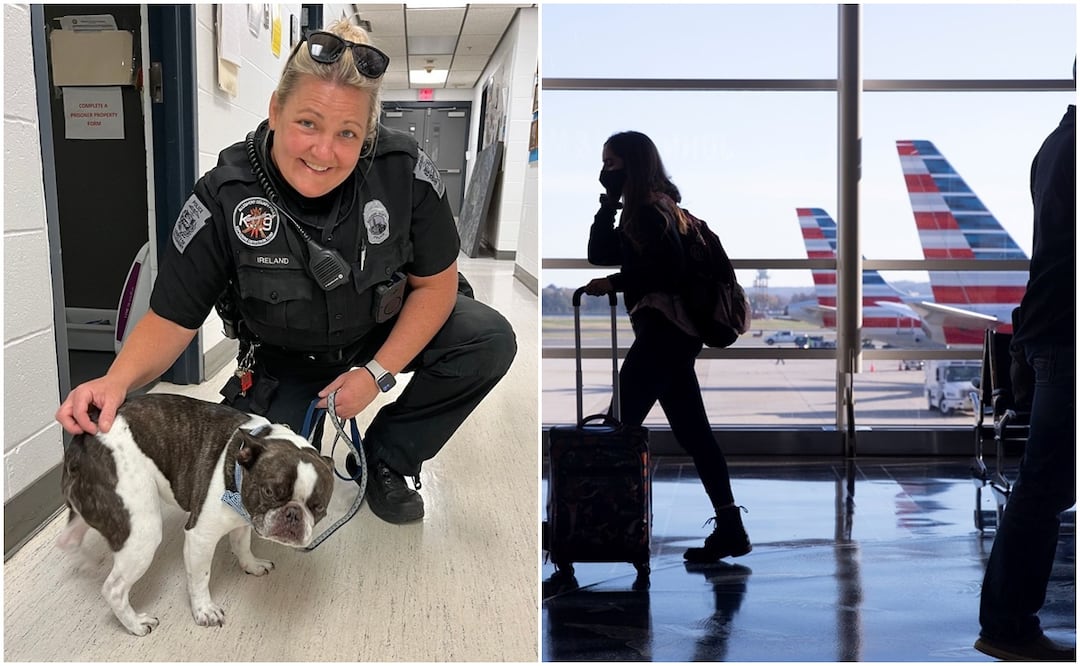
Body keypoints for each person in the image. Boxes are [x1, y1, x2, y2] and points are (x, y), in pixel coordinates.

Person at [55, 19, 517, 525]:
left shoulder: (403, 172)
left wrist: (375, 374)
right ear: (276, 109)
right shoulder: (224, 195)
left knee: (486, 338)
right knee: (249, 494)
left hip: (377, 333)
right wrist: (115, 382)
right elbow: (171, 319)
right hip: (286, 356)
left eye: (348, 133)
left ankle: (390, 457)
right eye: (308, 124)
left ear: (368, 133)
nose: (324, 151)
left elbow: (436, 284)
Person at [583, 130, 750, 563]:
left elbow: (666, 270)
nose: (605, 170)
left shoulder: (649, 213)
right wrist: (608, 201)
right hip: (677, 336)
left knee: (618, 427)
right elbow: (599, 250)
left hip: (662, 334)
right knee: (695, 433)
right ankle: (731, 527)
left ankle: (594, 526)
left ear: (632, 164)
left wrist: (615, 283)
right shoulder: (663, 208)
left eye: (612, 163)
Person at [974, 96, 1075, 660]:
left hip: (1046, 330)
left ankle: (1006, 621)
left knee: (1046, 485)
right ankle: (1007, 624)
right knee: (1045, 487)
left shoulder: (1056, 142)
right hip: (1066, 334)